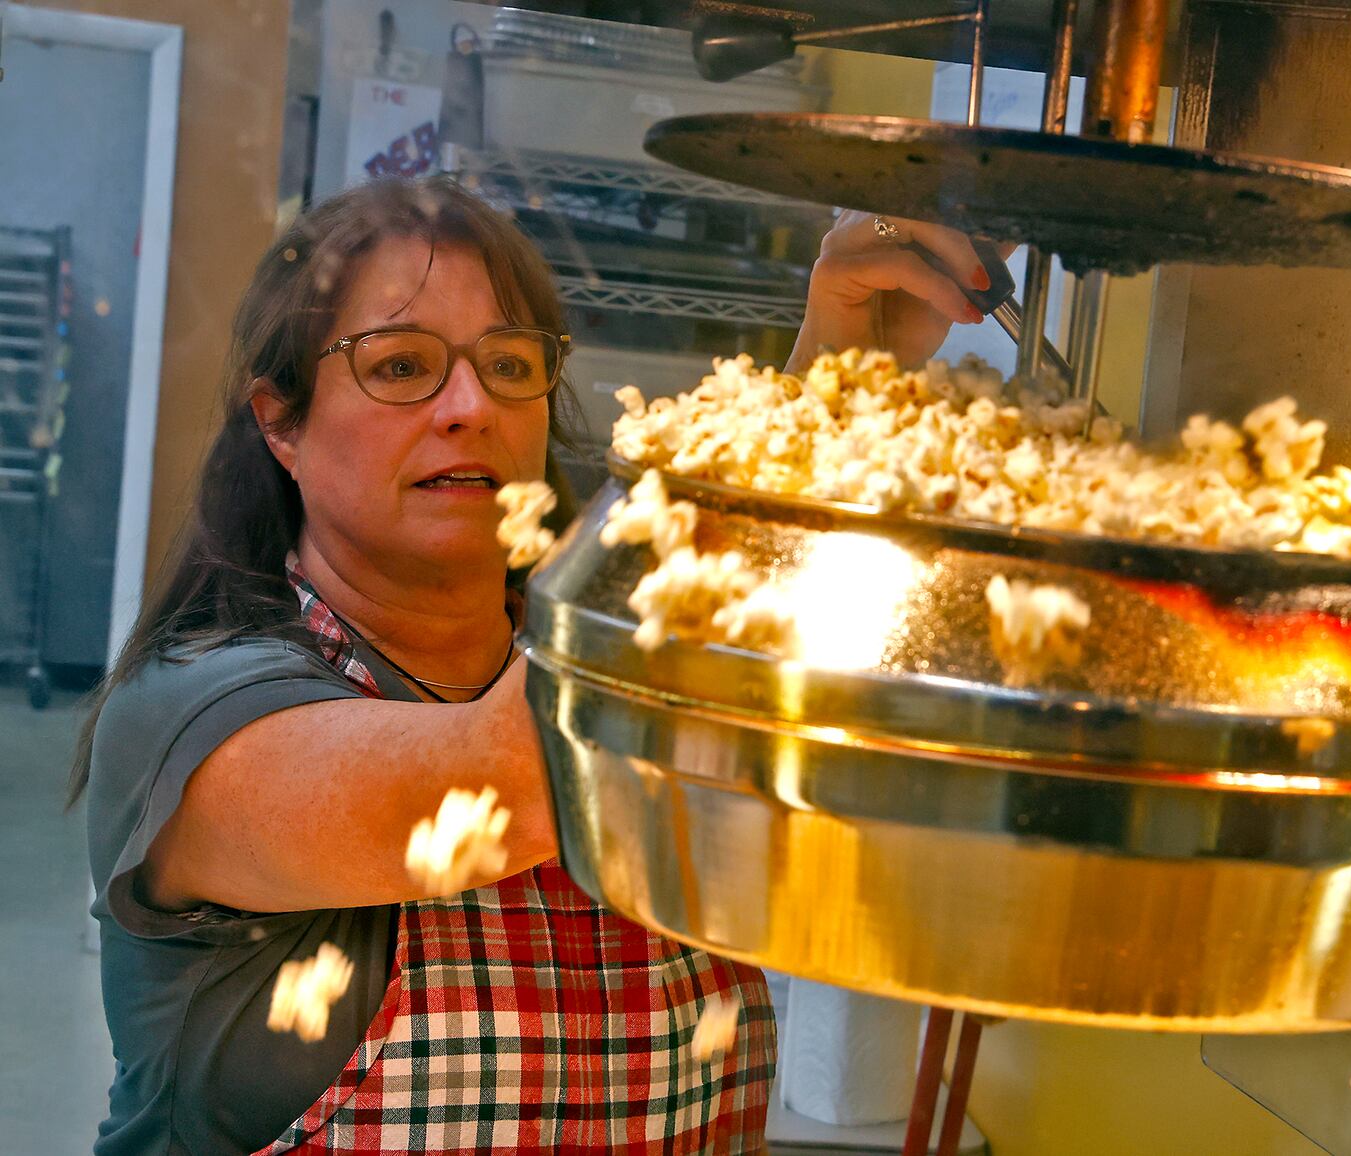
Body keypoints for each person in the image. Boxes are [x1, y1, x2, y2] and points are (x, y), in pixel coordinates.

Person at [71, 177, 992, 1155]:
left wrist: (843, 384)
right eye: (400, 365)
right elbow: (506, 780)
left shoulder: (626, 659)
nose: (470, 406)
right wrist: (795, 426)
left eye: (508, 362)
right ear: (281, 424)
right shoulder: (193, 713)